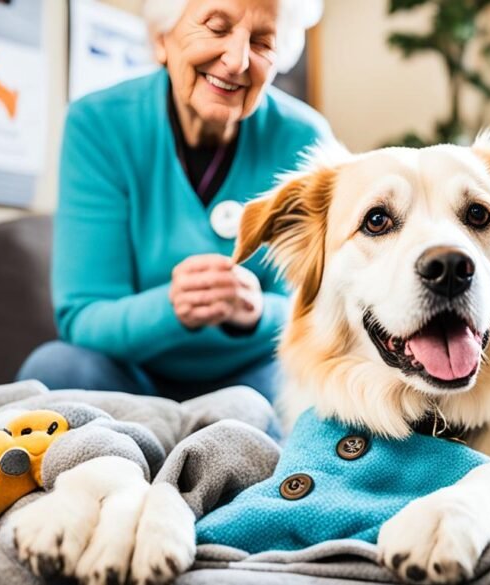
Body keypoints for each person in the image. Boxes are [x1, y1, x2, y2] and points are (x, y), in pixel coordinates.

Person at [17, 0, 330, 402]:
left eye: (261, 42)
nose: (236, 61)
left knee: (301, 394)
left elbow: (326, 309)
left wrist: (255, 312)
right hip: (131, 375)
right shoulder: (98, 123)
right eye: (216, 28)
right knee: (52, 369)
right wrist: (172, 307)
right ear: (161, 39)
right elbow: (84, 314)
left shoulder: (305, 140)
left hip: (254, 373)